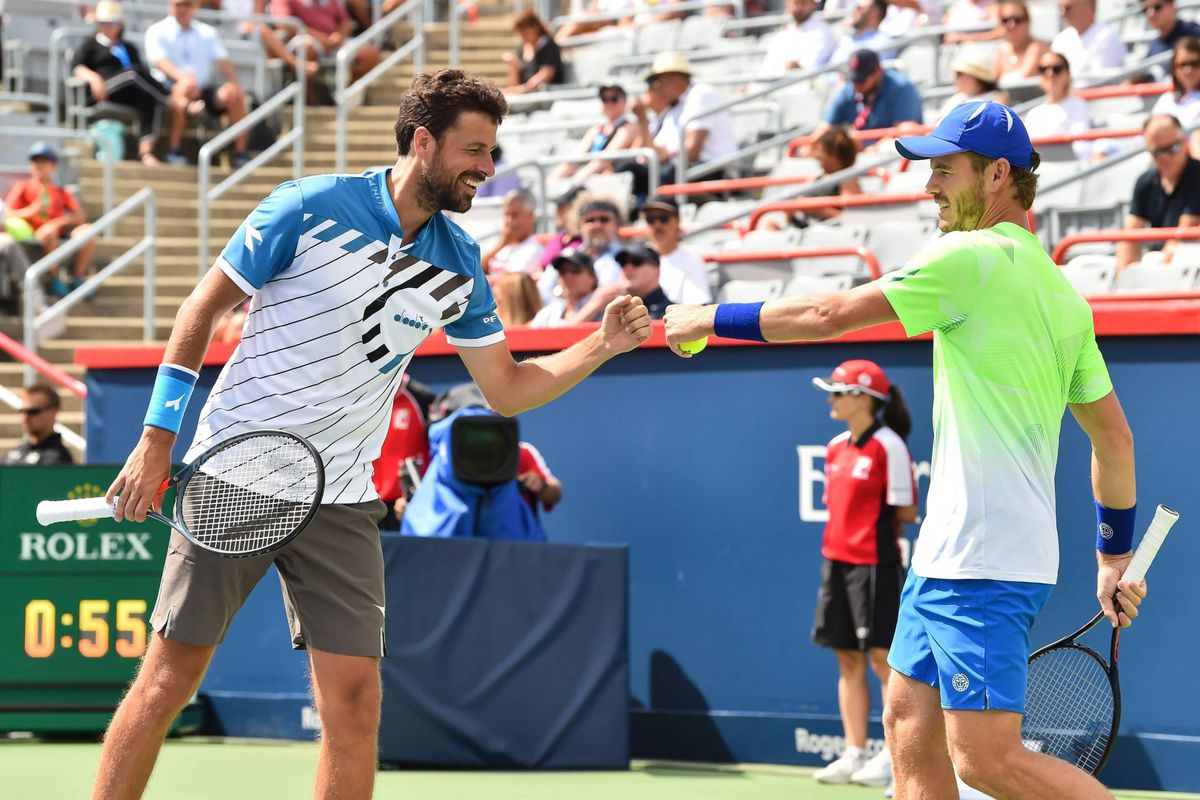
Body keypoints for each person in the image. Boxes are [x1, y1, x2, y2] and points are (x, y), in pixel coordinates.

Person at [95, 68, 651, 800]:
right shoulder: (308, 205)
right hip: (236, 473)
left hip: (342, 498)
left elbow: (508, 388)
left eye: (493, 152)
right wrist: (157, 439)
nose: (487, 168)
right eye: (474, 150)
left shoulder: (459, 261)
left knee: (356, 703)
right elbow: (199, 310)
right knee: (170, 677)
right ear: (423, 141)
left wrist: (600, 344)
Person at [664, 100, 1145, 800]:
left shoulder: (971, 257)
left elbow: (830, 315)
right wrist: (1112, 556)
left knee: (986, 761)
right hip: (952, 557)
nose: (929, 188)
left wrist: (709, 316)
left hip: (983, 562)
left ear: (999, 175)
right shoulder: (1065, 295)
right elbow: (1115, 438)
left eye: (945, 171)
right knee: (907, 729)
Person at [807, 359, 916, 787]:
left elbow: (906, 510)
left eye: (837, 391)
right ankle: (854, 752)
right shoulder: (835, 447)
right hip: (835, 561)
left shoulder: (888, 445)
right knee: (846, 657)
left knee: (883, 660)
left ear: (863, 399)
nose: (831, 399)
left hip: (875, 566)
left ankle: (893, 757)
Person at [145, 0, 250, 167]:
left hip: (202, 90)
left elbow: (223, 62)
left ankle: (240, 154)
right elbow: (160, 62)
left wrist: (234, 83)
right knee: (181, 93)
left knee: (234, 93)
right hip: (169, 89)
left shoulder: (207, 32)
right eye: (178, 4)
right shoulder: (156, 30)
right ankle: (174, 150)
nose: (182, 9)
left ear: (194, 7)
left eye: (186, 4)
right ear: (170, 5)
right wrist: (183, 79)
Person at [72, 0, 170, 166]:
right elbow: (77, 67)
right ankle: (170, 99)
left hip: (125, 93)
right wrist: (93, 78)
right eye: (104, 22)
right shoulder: (91, 44)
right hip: (101, 91)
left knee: (149, 99)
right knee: (133, 73)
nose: (108, 26)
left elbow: (143, 75)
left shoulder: (128, 47)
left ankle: (146, 151)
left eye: (112, 22)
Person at [626, 51, 738, 193]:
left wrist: (667, 156)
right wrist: (642, 120)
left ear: (672, 77)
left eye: (658, 81)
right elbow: (658, 154)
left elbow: (692, 152)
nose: (657, 87)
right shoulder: (674, 108)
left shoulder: (701, 94)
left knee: (656, 176)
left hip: (711, 170)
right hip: (687, 170)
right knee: (629, 170)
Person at [3, 143, 96, 299]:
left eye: (44, 161)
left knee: (87, 231)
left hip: (58, 230)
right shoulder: (23, 187)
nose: (39, 165)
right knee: (48, 232)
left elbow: (79, 215)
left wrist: (59, 222)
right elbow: (7, 213)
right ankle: (54, 278)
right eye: (35, 161)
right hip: (37, 233)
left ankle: (78, 278)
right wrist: (31, 211)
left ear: (54, 166)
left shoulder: (60, 191)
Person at [1116, 114, 1200, 273]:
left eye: (1173, 148)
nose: (1167, 157)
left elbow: (1183, 234)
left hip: (1189, 265)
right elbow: (1130, 236)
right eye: (1159, 152)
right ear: (1149, 150)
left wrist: (1159, 272)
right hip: (1161, 258)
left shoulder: (1197, 175)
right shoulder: (1145, 182)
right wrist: (1121, 281)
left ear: (1185, 142)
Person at [814, 50, 923, 146]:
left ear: (878, 72)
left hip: (886, 157)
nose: (856, 86)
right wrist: (811, 146)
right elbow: (826, 127)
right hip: (857, 157)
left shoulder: (901, 87)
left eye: (861, 80)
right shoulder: (848, 89)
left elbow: (907, 130)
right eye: (854, 80)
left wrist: (873, 149)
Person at [372, 373, 435, 531]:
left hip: (405, 506)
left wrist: (419, 497)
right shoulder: (356, 397)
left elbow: (437, 454)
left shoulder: (421, 398)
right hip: (365, 502)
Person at [538, 195, 625, 302]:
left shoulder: (628, 258)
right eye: (590, 220)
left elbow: (611, 298)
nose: (597, 225)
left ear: (617, 224)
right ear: (579, 226)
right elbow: (543, 291)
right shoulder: (566, 255)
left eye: (604, 219)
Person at [271, 0, 381, 83]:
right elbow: (283, 24)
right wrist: (320, 37)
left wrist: (339, 36)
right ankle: (310, 102)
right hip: (305, 40)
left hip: (333, 43)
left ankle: (341, 96)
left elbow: (345, 22)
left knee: (370, 54)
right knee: (305, 48)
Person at [552, 85, 637, 183]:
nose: (609, 103)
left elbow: (606, 158)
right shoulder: (597, 129)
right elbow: (576, 157)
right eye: (604, 99)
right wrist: (553, 179)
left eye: (614, 98)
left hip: (610, 179)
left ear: (624, 101)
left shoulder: (629, 127)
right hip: (588, 177)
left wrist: (576, 181)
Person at [1023, 51, 1093, 162]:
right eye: (1043, 69)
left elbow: (1081, 149)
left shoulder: (1078, 105)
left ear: (1068, 74)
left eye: (1056, 69)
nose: (1050, 74)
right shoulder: (1033, 113)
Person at [641, 196, 712, 304]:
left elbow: (696, 311)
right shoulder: (634, 260)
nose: (657, 225)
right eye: (650, 219)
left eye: (663, 218)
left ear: (677, 221)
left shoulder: (692, 262)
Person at [530, 249, 622, 327]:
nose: (568, 276)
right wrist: (594, 306)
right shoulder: (552, 310)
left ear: (592, 277)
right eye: (563, 271)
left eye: (575, 270)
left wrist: (596, 304)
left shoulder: (606, 305)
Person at [758, 0, 837, 80]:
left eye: (803, 3)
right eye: (795, 3)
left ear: (814, 4)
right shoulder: (782, 35)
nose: (798, 8)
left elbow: (809, 68)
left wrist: (794, 66)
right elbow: (766, 70)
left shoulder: (823, 32)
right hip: (774, 86)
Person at [1150, 37, 1200, 155]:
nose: (1188, 70)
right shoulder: (1166, 100)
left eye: (1194, 64)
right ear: (1174, 68)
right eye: (1182, 64)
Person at [1050, 0, 1125, 78]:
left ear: (1090, 7)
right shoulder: (1061, 39)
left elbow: (1103, 81)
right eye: (1060, 8)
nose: (1063, 13)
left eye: (1068, 8)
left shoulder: (1107, 37)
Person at [4, 384, 74, 465]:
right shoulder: (15, 453)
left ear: (53, 412)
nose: (25, 418)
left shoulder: (59, 457)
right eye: (22, 411)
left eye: (32, 412)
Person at [482, 188, 544, 276]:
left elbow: (513, 285)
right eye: (507, 214)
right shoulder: (500, 245)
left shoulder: (534, 250)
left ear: (530, 216)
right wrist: (501, 244)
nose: (509, 221)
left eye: (515, 215)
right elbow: (474, 270)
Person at [504, 10, 564, 95]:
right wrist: (513, 65)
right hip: (525, 97)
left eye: (524, 31)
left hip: (546, 96)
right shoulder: (521, 49)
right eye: (520, 33)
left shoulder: (548, 45)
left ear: (535, 27)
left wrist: (524, 88)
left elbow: (546, 73)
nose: (522, 36)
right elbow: (514, 84)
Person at [937, 53, 1004, 122]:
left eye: (960, 74)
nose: (956, 78)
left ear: (978, 79)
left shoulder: (996, 98)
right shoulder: (957, 98)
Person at [993, 0, 1049, 81]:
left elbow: (1024, 78)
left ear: (1028, 21)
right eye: (1005, 20)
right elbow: (995, 82)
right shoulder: (1002, 51)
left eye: (1017, 20)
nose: (1011, 25)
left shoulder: (1037, 47)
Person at [830, 0, 897, 65]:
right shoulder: (846, 39)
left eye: (859, 8)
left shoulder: (884, 44)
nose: (853, 12)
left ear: (874, 12)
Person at [616, 244, 671, 319]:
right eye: (623, 262)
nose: (627, 267)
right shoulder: (616, 312)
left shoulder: (671, 312)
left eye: (636, 261)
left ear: (657, 270)